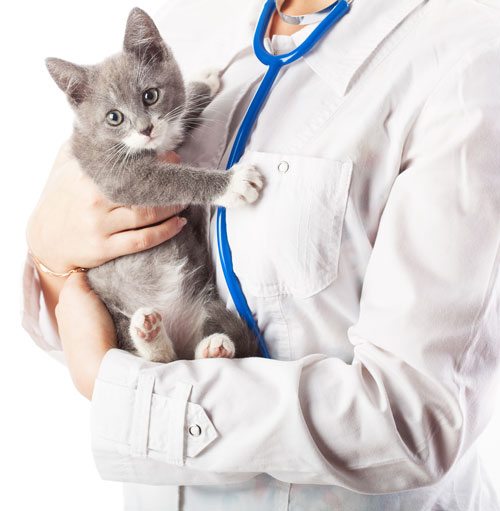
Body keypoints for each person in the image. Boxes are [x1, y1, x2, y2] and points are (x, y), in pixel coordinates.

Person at [23, 0, 500, 509]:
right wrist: (51, 260)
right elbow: (71, 327)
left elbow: (415, 423)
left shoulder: (464, 55)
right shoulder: (193, 17)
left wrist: (130, 394)